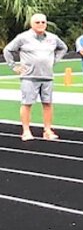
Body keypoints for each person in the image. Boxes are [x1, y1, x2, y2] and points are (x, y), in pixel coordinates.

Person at [2, 13, 68, 141]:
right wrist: (13, 66)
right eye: (37, 22)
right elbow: (7, 50)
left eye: (43, 22)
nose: (41, 25)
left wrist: (55, 60)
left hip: (47, 77)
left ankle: (48, 130)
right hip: (29, 77)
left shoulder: (52, 38)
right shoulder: (23, 37)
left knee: (48, 104)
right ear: (32, 24)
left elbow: (63, 48)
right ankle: (26, 131)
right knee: (27, 103)